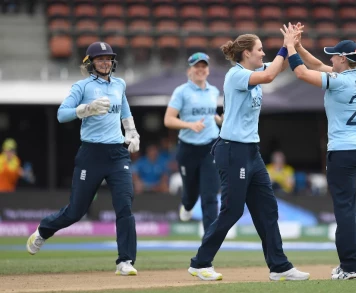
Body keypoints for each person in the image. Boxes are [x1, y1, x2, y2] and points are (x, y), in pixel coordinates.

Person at [188, 33, 310, 281]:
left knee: (267, 209)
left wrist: (292, 46)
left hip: (251, 152)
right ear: (246, 54)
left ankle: (279, 267)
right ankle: (200, 263)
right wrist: (285, 47)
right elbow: (269, 75)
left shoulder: (253, 71)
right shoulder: (237, 75)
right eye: (260, 50)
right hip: (233, 150)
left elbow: (279, 66)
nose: (263, 53)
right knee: (232, 211)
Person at [26, 42, 141, 276]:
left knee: (124, 206)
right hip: (91, 154)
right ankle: (43, 231)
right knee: (76, 211)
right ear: (90, 63)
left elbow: (125, 113)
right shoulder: (83, 86)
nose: (105, 63)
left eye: (108, 58)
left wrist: (132, 133)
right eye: (100, 59)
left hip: (117, 154)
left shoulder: (119, 84)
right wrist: (86, 109)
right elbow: (61, 115)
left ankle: (125, 261)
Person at [282, 23, 356, 280]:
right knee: (349, 209)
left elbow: (302, 72)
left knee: (344, 210)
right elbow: (318, 66)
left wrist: (289, 47)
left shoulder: (339, 81)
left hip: (344, 151)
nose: (330, 58)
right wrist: (299, 46)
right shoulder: (355, 78)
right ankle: (349, 264)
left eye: (334, 55)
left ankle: (352, 265)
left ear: (343, 60)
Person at [164, 52, 222, 234]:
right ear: (189, 70)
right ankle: (187, 206)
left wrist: (218, 120)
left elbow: (209, 114)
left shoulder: (213, 91)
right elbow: (168, 120)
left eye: (204, 66)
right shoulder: (181, 91)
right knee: (190, 193)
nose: (201, 69)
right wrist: (190, 125)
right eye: (197, 66)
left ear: (208, 70)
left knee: (210, 195)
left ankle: (210, 241)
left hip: (211, 146)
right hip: (188, 148)